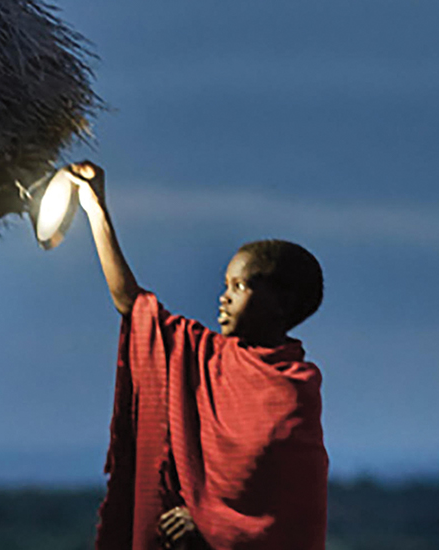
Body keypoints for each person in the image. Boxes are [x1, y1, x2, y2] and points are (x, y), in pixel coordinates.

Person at [64, 161, 328, 550]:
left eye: (239, 286)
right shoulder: (202, 354)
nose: (224, 296)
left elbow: (285, 512)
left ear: (282, 302)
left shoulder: (294, 388)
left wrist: (206, 520)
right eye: (226, 285)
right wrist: (96, 209)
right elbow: (132, 304)